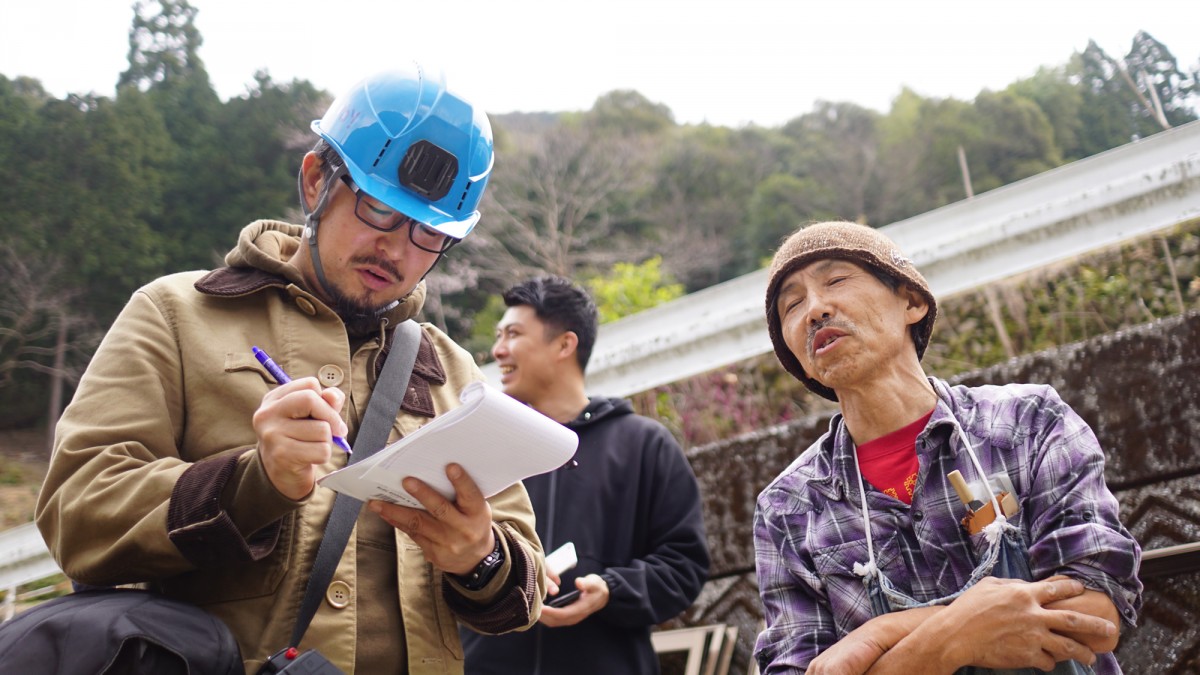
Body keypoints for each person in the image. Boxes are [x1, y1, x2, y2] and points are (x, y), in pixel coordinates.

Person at [35, 64, 546, 674]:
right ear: (314, 182)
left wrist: (480, 557)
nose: (399, 249)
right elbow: (77, 515)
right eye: (379, 209)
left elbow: (525, 592)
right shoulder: (175, 315)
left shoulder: (454, 372)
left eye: (430, 232)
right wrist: (254, 483)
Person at [752, 221, 1143, 674]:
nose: (814, 310)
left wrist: (878, 638)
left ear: (912, 301)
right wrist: (957, 636)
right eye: (792, 305)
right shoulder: (789, 508)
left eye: (836, 280)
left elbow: (1096, 611)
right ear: (798, 359)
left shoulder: (1027, 422)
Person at [459, 275, 710, 674]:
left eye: (513, 334)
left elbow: (684, 566)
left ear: (564, 344)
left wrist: (611, 590)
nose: (497, 350)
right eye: (498, 335)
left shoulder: (644, 444)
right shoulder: (483, 447)